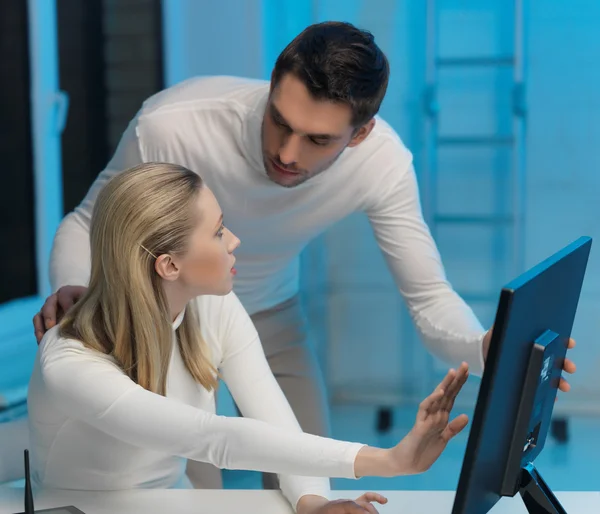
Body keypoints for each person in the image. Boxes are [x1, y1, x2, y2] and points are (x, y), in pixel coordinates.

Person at [32, 21, 576, 490]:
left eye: (317, 140)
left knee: (310, 479)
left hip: (269, 314)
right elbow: (86, 221)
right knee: (193, 485)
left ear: (360, 134)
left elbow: (429, 296)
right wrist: (77, 288)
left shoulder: (382, 164)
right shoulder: (173, 125)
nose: (287, 155)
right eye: (280, 123)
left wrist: (487, 348)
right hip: (164, 318)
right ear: (270, 90)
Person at [28, 163, 471, 514]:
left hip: (174, 502)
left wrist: (311, 501)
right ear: (168, 266)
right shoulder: (70, 361)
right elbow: (215, 438)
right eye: (218, 231)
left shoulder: (211, 306)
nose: (234, 241)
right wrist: (390, 460)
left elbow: (274, 421)